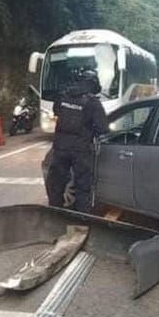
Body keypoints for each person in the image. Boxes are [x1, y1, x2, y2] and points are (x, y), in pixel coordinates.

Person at [46, 69, 109, 213]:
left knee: (56, 184)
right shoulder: (92, 102)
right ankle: (81, 221)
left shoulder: (62, 96)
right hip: (80, 150)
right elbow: (103, 128)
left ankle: (55, 214)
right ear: (93, 84)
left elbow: (57, 112)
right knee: (82, 187)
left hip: (60, 147)